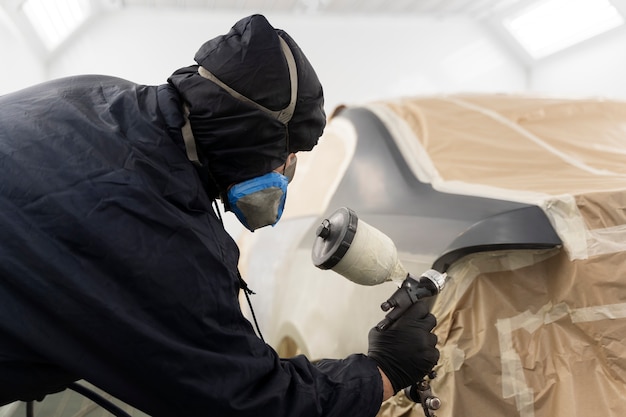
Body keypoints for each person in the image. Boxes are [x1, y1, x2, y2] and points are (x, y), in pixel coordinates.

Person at [0, 14, 439, 417]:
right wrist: (384, 371)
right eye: (286, 152)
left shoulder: (96, 93)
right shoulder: (159, 236)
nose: (287, 168)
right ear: (250, 138)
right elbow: (248, 401)